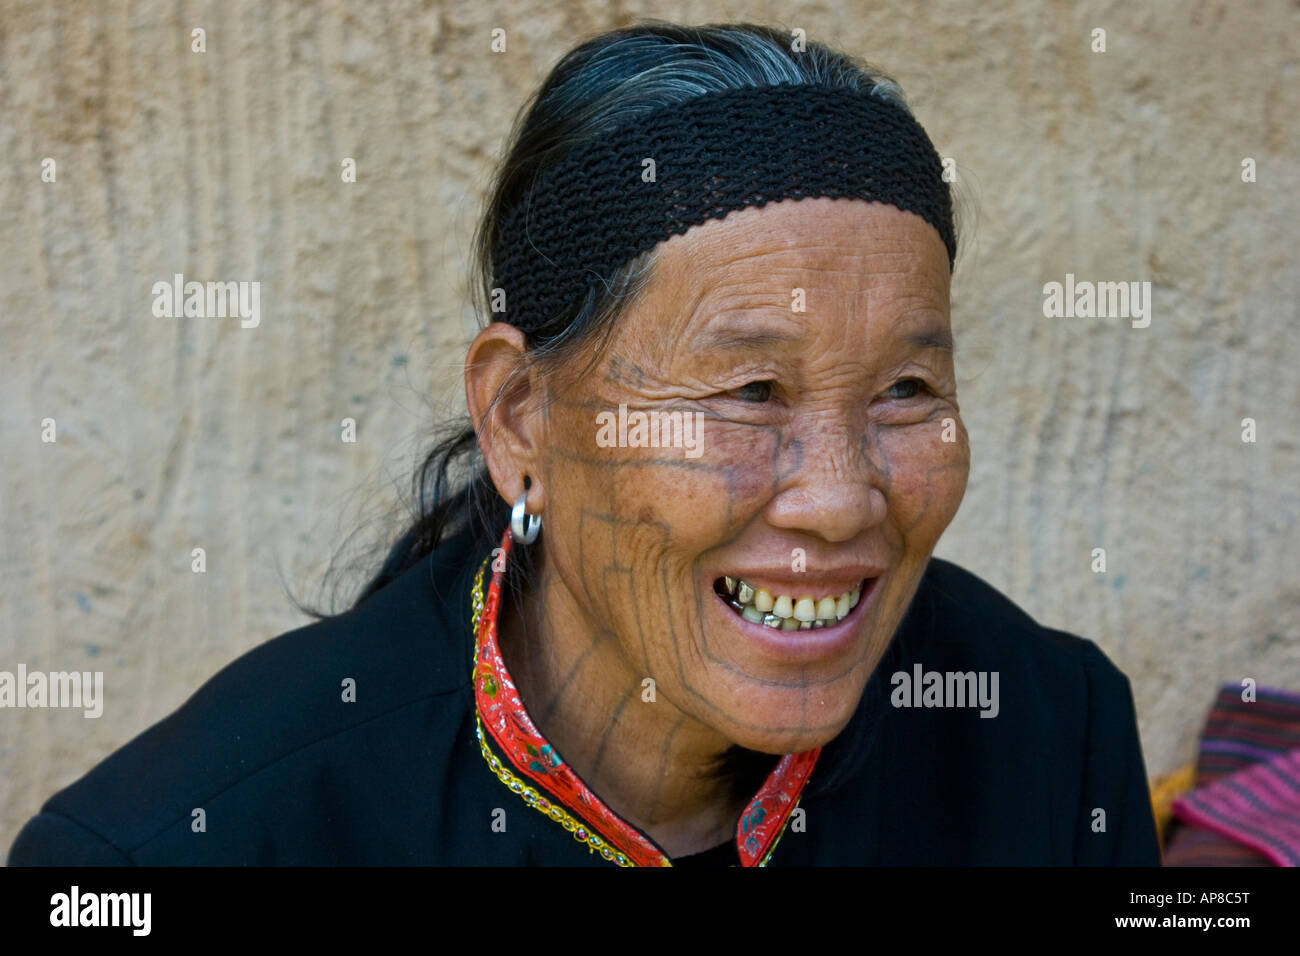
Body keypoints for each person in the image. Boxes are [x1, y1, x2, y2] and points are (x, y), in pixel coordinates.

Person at [8, 21, 1161, 866]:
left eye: (906, 389)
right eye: (752, 391)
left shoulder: (1046, 739)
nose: (839, 496)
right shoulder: (178, 846)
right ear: (521, 417)